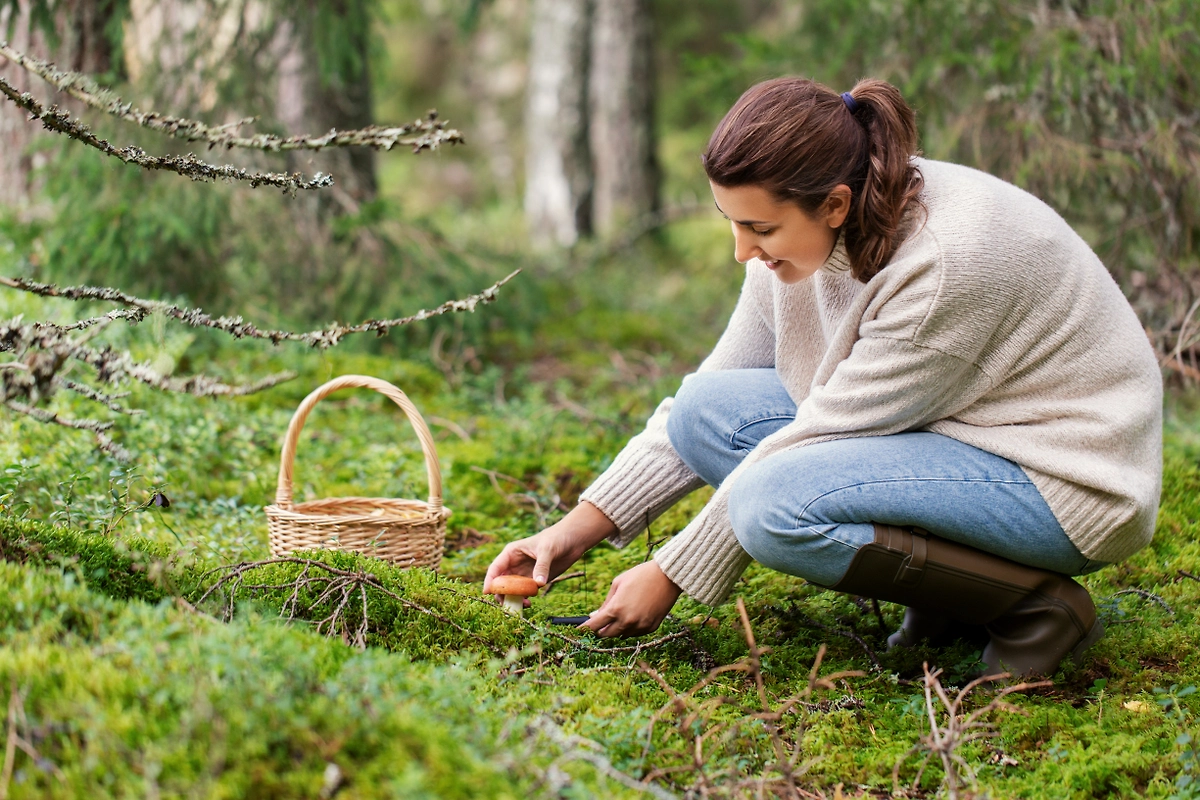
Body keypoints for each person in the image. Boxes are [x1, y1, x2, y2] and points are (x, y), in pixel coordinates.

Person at [484, 77, 1163, 677]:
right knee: (705, 412)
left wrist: (670, 574)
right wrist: (573, 530)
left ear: (834, 206)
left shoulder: (944, 266)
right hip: (951, 432)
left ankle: (1035, 608)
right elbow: (715, 388)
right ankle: (951, 602)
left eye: (759, 228)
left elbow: (816, 440)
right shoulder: (810, 226)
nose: (742, 252)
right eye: (732, 223)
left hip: (1063, 480)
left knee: (773, 506)